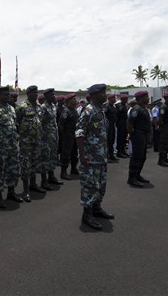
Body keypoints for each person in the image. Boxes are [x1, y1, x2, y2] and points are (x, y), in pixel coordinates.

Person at [77, 84, 114, 230]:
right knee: (90, 186)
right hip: (91, 157)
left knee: (101, 185)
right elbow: (79, 133)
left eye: (105, 92)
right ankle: (87, 215)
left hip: (101, 157)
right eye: (102, 93)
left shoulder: (101, 110)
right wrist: (82, 154)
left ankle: (96, 209)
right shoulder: (88, 111)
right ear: (94, 95)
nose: (105, 95)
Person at [0, 86, 23, 205]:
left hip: (12, 146)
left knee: (13, 170)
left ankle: (11, 192)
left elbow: (15, 125)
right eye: (5, 95)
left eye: (8, 95)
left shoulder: (11, 109)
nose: (8, 96)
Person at [17, 85, 45, 197]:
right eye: (34, 92)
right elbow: (16, 123)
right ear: (28, 94)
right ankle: (25, 189)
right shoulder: (22, 107)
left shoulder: (39, 107)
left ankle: (33, 184)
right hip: (26, 142)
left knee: (35, 162)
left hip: (37, 140)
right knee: (25, 164)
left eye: (37, 92)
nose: (36, 94)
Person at [39, 88, 63, 190]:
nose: (54, 96)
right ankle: (44, 181)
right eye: (52, 95)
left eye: (54, 94)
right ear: (46, 96)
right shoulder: (43, 108)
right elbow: (40, 123)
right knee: (45, 158)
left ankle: (51, 176)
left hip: (53, 136)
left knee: (52, 156)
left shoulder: (53, 106)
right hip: (45, 137)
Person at [126, 91, 152, 187]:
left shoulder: (143, 108)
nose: (148, 98)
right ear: (140, 99)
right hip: (138, 134)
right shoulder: (136, 109)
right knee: (137, 156)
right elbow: (129, 123)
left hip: (143, 135)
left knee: (142, 156)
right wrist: (131, 134)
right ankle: (132, 178)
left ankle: (137, 175)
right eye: (146, 97)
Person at [58, 93, 79, 180]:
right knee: (66, 154)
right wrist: (65, 134)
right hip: (68, 135)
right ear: (69, 101)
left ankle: (73, 168)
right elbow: (60, 125)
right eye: (74, 99)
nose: (75, 100)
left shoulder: (74, 110)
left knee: (74, 153)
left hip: (75, 134)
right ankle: (63, 172)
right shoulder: (65, 111)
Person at [103, 93, 119, 163]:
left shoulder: (113, 106)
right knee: (108, 141)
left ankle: (111, 155)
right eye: (114, 98)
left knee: (112, 140)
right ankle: (107, 156)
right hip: (108, 126)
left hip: (112, 125)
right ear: (110, 99)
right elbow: (104, 115)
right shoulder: (107, 106)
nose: (115, 99)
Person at [115, 93, 129, 158]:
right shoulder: (119, 105)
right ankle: (119, 152)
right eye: (125, 99)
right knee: (120, 138)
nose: (126, 100)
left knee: (124, 137)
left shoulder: (124, 105)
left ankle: (123, 150)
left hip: (124, 123)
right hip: (120, 123)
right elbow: (117, 115)